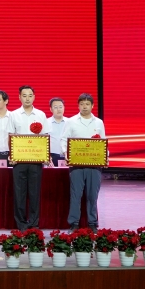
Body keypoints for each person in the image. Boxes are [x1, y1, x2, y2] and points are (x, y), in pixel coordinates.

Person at [61, 93, 106, 233]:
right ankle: (73, 224)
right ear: (78, 106)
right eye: (82, 104)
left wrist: (105, 157)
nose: (84, 107)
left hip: (94, 165)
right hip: (76, 165)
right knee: (76, 195)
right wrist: (66, 154)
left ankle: (92, 223)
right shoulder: (71, 121)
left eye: (87, 104)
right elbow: (64, 139)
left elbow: (103, 142)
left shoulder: (98, 122)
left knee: (93, 195)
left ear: (92, 106)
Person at [8, 85, 51, 231]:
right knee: (19, 193)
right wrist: (12, 155)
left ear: (34, 97)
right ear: (19, 97)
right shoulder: (13, 115)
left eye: (30, 95)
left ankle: (34, 223)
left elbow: (45, 137)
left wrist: (45, 156)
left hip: (36, 161)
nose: (27, 98)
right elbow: (10, 136)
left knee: (34, 193)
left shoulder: (41, 115)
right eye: (24, 95)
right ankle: (20, 224)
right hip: (18, 160)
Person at [48, 97, 68, 167]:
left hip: (67, 156)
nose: (58, 109)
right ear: (51, 109)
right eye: (55, 107)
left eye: (60, 107)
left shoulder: (70, 122)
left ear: (64, 108)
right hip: (52, 157)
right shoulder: (46, 123)